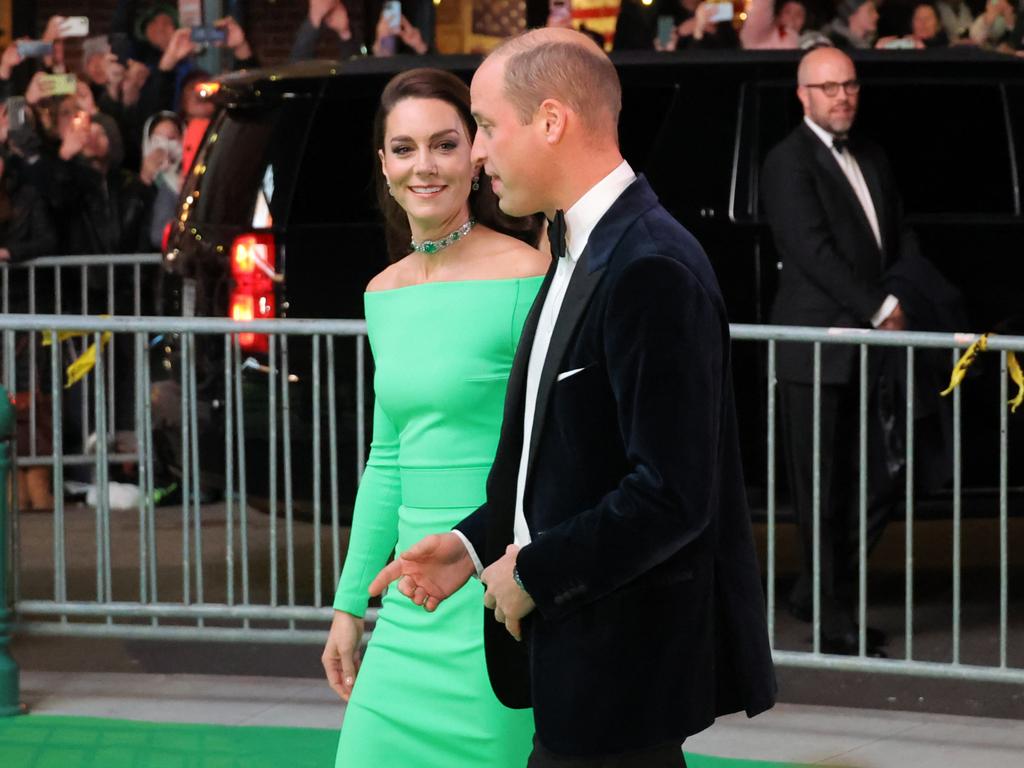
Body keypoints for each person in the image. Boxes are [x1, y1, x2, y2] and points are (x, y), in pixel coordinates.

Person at [371, 27, 776, 767]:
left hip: (621, 670)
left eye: (487, 127)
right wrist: (469, 544)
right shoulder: (579, 250)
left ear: (551, 121)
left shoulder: (650, 264)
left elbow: (671, 493)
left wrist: (532, 573)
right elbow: (556, 456)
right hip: (581, 670)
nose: (479, 151)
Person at [319, 68, 547, 767]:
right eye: (405, 147)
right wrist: (349, 606)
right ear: (383, 165)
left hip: (492, 607)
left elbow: (557, 450)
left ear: (475, 155)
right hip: (408, 616)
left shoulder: (525, 276)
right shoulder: (381, 294)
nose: (425, 165)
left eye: (444, 144)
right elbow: (387, 457)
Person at [760, 47, 919, 657]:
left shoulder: (872, 154)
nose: (842, 96)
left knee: (876, 480)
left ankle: (814, 591)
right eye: (828, 88)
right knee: (821, 492)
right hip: (817, 353)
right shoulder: (786, 161)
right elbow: (812, 252)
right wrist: (883, 309)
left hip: (868, 350)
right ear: (803, 96)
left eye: (849, 85)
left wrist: (901, 291)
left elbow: (897, 233)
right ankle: (834, 623)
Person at [741, 0, 808, 49]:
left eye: (799, 14)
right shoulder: (763, 36)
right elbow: (760, 10)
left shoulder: (809, 39)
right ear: (778, 16)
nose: (793, 17)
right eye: (787, 12)